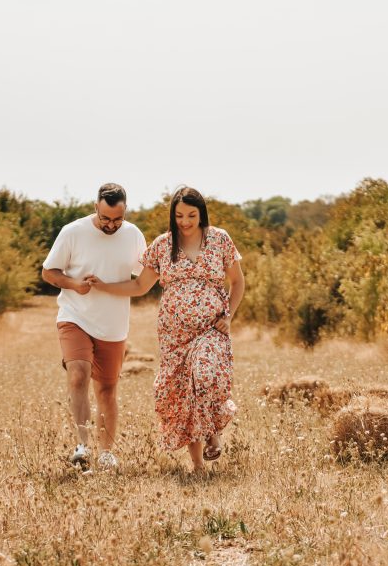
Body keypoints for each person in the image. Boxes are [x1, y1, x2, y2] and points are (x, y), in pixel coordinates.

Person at [86, 186, 244, 474]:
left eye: (191, 215)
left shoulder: (220, 240)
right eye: (180, 215)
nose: (185, 221)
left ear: (201, 213)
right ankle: (197, 464)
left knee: (204, 372)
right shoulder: (163, 244)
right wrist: (103, 286)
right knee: (182, 392)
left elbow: (238, 282)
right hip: (174, 335)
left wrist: (229, 315)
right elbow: (139, 285)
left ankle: (213, 432)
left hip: (212, 328)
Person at [41, 183, 146, 471]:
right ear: (95, 208)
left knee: (107, 391)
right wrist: (75, 284)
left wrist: (109, 287)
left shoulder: (134, 235)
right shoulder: (73, 232)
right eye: (105, 218)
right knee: (78, 374)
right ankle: (82, 445)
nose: (111, 225)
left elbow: (142, 282)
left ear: (124, 211)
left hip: (113, 324)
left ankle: (106, 453)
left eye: (117, 219)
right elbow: (48, 272)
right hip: (75, 315)